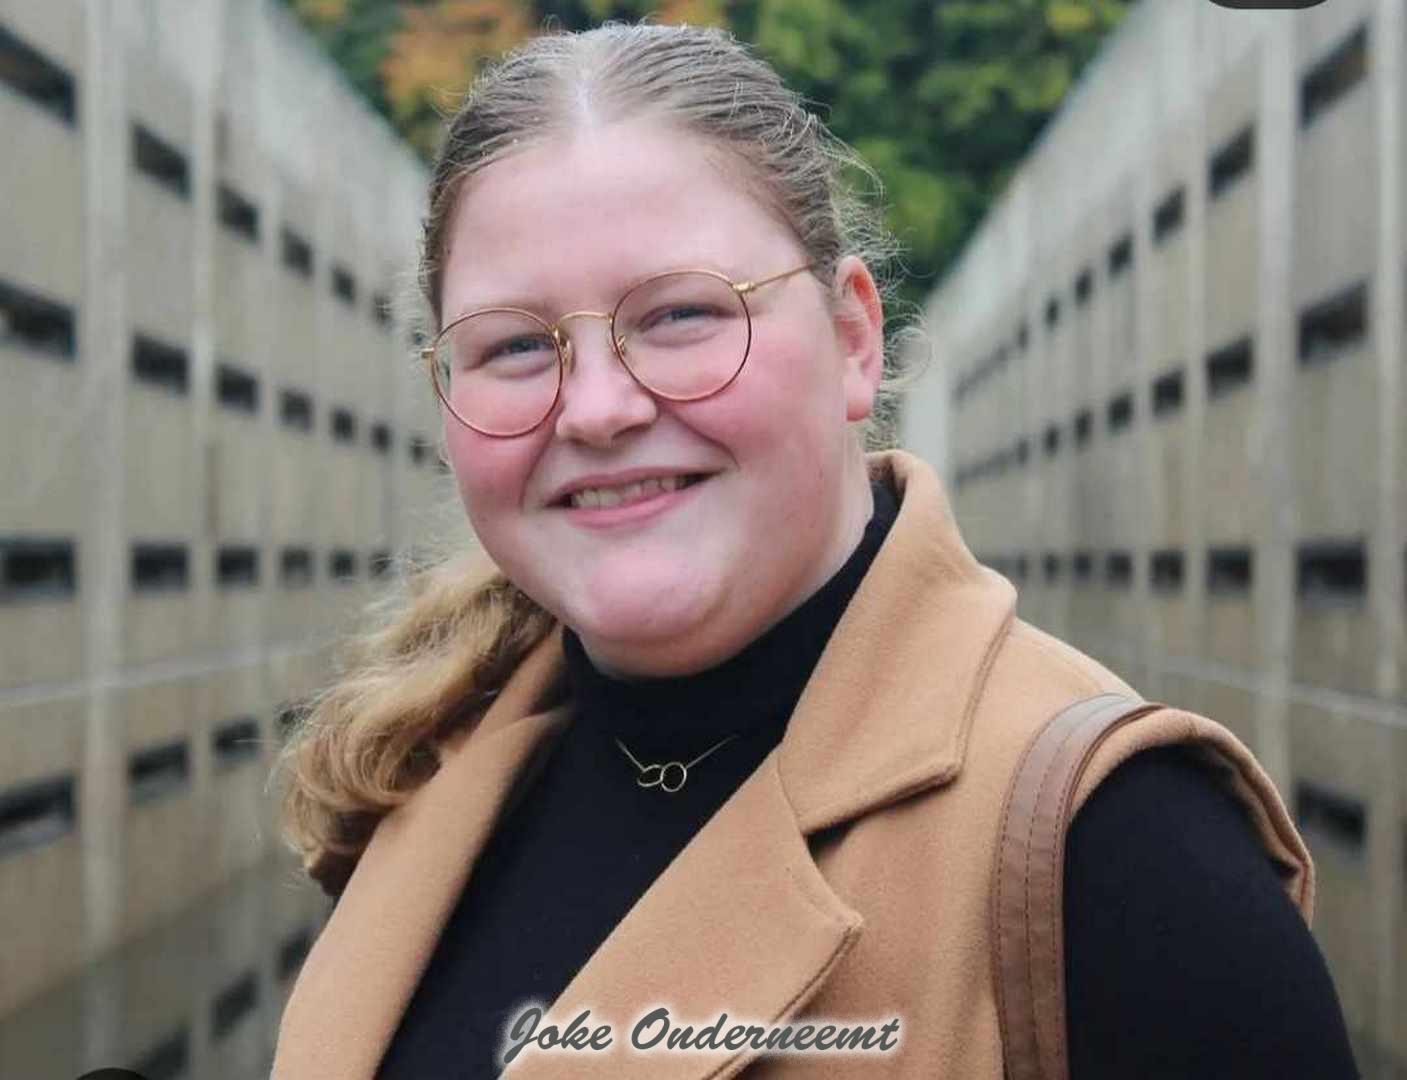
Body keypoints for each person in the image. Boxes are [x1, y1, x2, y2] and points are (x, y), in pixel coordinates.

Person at [270, 22, 1358, 1080]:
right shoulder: (424, 776)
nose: (596, 408)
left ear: (852, 338)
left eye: (680, 315)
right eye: (513, 344)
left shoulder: (1122, 860)